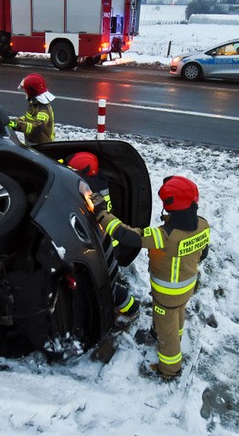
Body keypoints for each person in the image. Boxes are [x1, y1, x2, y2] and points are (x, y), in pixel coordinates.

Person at [91, 176, 210, 379]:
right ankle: (172, 335)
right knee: (176, 315)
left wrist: (102, 213)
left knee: (167, 332)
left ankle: (170, 370)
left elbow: (126, 235)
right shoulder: (202, 224)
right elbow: (204, 253)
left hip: (167, 293)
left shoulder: (164, 236)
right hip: (187, 286)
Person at [66, 151, 139, 322]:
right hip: (109, 241)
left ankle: (131, 308)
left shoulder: (89, 190)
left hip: (104, 243)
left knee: (107, 283)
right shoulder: (99, 181)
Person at [8, 73, 55, 145]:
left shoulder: (43, 109)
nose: (25, 92)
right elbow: (29, 118)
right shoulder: (34, 103)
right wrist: (16, 121)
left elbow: (37, 127)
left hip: (42, 146)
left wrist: (17, 125)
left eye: (25, 91)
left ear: (32, 92)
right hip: (32, 142)